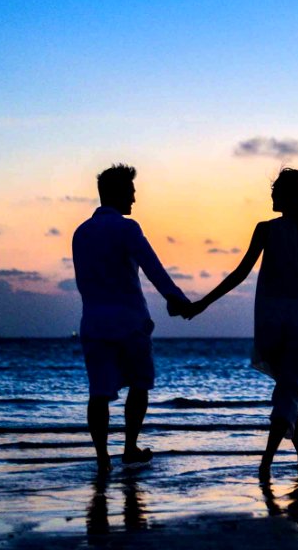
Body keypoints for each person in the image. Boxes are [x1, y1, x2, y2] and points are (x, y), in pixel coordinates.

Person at [187, 168, 298, 480]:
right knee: (289, 390)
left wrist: (203, 303)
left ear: (289, 196)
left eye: (276, 191)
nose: (271, 195)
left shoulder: (265, 230)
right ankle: (266, 465)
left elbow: (240, 274)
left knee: (289, 389)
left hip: (270, 324)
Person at [72, 163, 191, 474]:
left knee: (99, 392)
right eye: (131, 192)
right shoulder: (127, 228)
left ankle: (101, 457)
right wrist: (175, 299)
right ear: (118, 192)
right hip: (128, 321)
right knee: (139, 385)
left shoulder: (81, 233)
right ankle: (129, 448)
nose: (134, 199)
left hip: (94, 321)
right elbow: (152, 266)